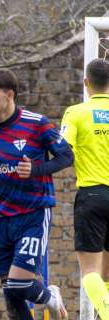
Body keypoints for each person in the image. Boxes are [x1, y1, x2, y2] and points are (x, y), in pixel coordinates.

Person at [0, 68, 73, 320]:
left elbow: (67, 156)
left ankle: (51, 297)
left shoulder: (37, 124)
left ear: (9, 95)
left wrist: (36, 169)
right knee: (10, 294)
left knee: (20, 283)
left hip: (33, 212)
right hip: (0, 216)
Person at [60, 58, 109, 319]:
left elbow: (61, 150)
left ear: (86, 82)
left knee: (90, 270)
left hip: (92, 195)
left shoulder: (76, 112)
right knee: (108, 274)